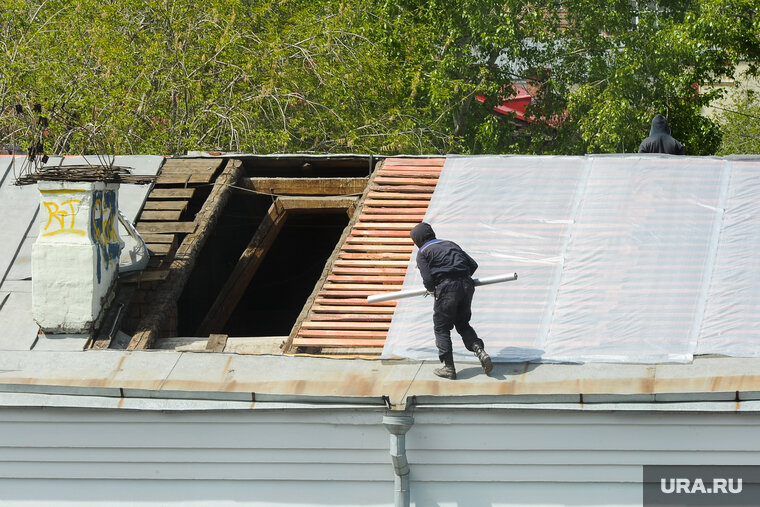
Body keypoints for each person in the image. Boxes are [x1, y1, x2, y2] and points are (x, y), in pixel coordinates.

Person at [410, 222, 492, 380]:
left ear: (418, 239)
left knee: (441, 328)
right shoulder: (450, 244)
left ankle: (449, 368)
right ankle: (480, 351)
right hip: (467, 286)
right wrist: (460, 276)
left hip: (447, 289)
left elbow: (427, 280)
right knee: (462, 323)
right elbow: (473, 265)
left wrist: (434, 290)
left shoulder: (423, 252)